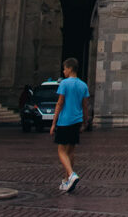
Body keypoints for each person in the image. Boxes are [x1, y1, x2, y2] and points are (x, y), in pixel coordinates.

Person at [52, 57, 89, 193]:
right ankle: (66, 180)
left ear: (69, 69)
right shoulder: (83, 85)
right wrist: (85, 122)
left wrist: (53, 123)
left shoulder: (64, 84)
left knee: (61, 151)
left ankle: (72, 174)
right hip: (77, 121)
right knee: (71, 151)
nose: (63, 71)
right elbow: (85, 106)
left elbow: (60, 103)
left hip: (65, 121)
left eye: (64, 69)